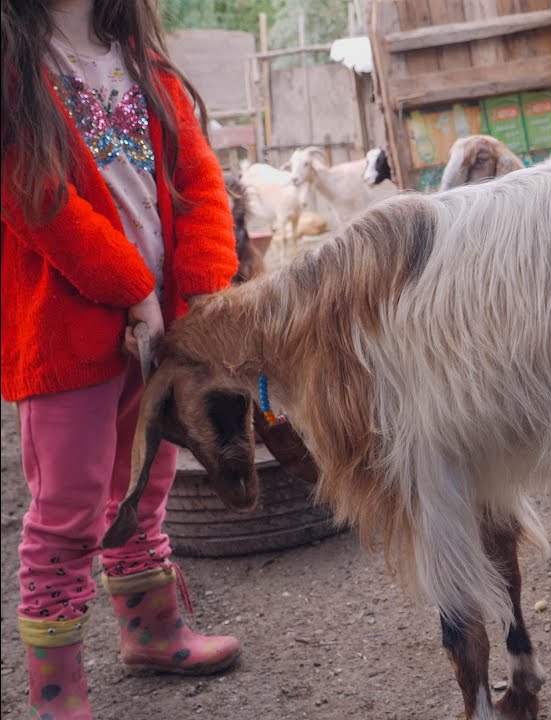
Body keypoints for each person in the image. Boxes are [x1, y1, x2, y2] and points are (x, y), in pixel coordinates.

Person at [1, 1, 241, 717]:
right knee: (68, 507)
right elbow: (35, 197)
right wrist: (134, 289)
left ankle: (153, 631)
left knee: (146, 479)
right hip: (68, 331)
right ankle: (58, 692)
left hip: (160, 324)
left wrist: (198, 290)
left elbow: (199, 178)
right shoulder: (17, 70)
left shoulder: (138, 60)